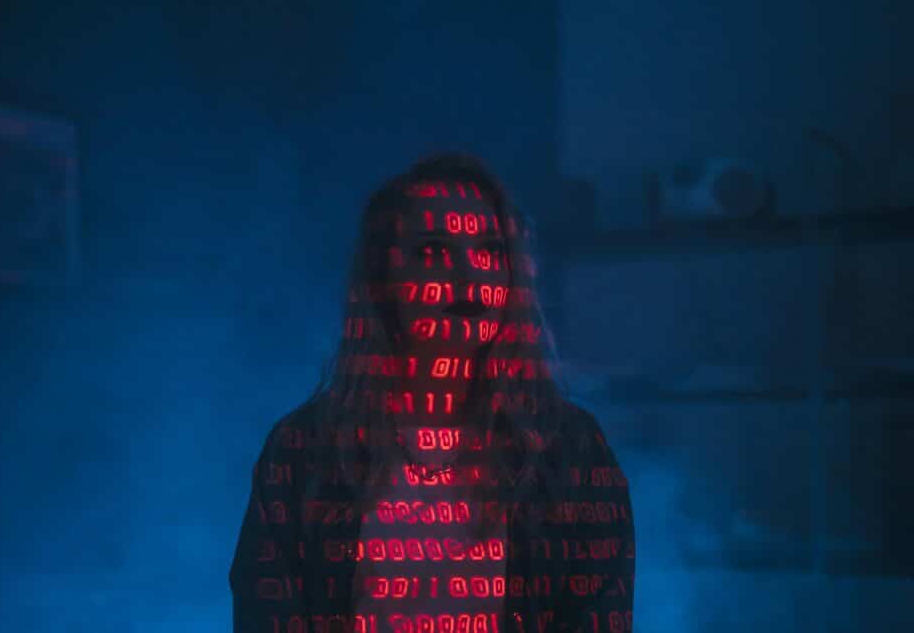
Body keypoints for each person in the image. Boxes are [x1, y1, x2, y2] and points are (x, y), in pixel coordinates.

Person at [230, 152, 635, 633]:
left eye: (489, 250)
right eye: (434, 251)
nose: (470, 277)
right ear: (384, 281)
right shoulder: (305, 450)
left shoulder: (570, 449)